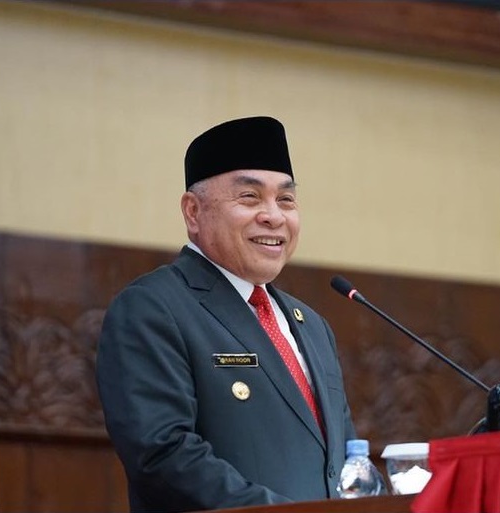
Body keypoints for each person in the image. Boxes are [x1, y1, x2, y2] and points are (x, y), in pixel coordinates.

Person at [96, 116, 357, 513]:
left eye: (286, 200)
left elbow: (345, 463)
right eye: (250, 197)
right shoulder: (153, 308)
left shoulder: (313, 326)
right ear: (193, 212)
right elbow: (163, 454)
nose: (274, 216)